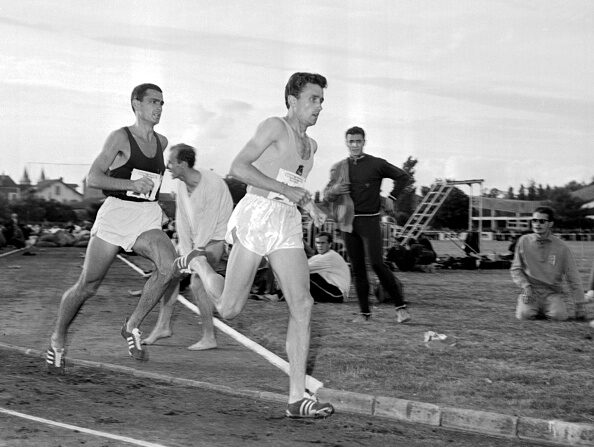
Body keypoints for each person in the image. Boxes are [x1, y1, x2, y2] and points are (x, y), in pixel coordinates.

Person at [178, 72, 334, 418]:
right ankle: (200, 264)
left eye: (322, 100)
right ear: (292, 100)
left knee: (303, 304)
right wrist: (286, 192)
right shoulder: (274, 127)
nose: (319, 106)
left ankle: (297, 399)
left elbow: (293, 183)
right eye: (313, 98)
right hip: (256, 215)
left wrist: (308, 204)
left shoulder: (312, 146)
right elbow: (238, 167)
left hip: (286, 222)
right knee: (230, 308)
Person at [46, 83, 179, 373]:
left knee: (169, 268)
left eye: (162, 103)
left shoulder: (163, 142)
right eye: (153, 102)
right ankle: (58, 338)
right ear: (136, 104)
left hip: (146, 216)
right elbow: (93, 178)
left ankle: (132, 325)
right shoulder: (120, 137)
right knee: (88, 286)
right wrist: (131, 184)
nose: (158, 108)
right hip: (116, 214)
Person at [142, 143, 233, 350]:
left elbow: (209, 226)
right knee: (170, 274)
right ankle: (163, 327)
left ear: (182, 164)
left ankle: (209, 337)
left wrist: (193, 256)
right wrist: (183, 253)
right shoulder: (182, 185)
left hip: (215, 240)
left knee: (196, 283)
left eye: (171, 162)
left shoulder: (212, 184)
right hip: (195, 242)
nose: (167, 166)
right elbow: (181, 221)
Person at [323, 126, 411, 323]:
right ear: (346, 142)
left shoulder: (376, 164)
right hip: (348, 223)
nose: (354, 145)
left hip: (370, 220)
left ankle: (401, 308)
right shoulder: (339, 167)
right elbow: (327, 194)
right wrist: (335, 189)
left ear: (364, 142)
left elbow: (404, 176)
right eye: (351, 141)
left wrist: (392, 197)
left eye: (358, 141)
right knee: (358, 268)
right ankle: (364, 313)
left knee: (378, 264)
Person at [510, 206, 586, 321]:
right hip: (531, 291)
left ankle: (548, 308)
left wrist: (580, 305)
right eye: (534, 220)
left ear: (550, 224)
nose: (537, 224)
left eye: (542, 221)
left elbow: (573, 277)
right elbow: (516, 269)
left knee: (559, 316)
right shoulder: (523, 241)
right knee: (524, 315)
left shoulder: (562, 247)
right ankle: (534, 308)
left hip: (552, 293)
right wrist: (526, 286)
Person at [308, 232, 350, 303]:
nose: (320, 245)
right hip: (329, 289)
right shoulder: (318, 256)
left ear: (330, 244)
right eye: (318, 243)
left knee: (307, 276)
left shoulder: (331, 256)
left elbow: (303, 269)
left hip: (338, 294)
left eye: (323, 243)